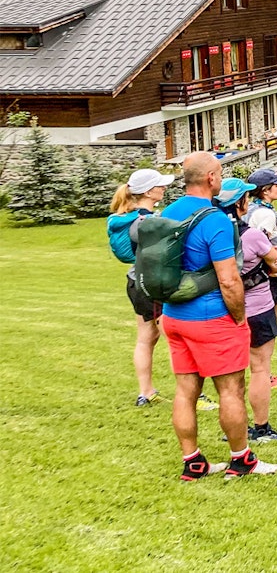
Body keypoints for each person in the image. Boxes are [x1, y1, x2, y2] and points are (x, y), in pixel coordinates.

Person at [160, 153, 277, 480]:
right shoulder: (213, 219)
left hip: (173, 315)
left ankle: (193, 462)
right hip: (211, 317)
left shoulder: (169, 212)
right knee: (230, 390)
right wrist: (239, 317)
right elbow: (228, 279)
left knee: (185, 390)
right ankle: (241, 460)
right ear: (211, 178)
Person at [216, 178, 277, 443]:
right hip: (257, 307)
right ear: (239, 203)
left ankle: (235, 427)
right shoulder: (252, 236)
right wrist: (271, 266)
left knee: (232, 373)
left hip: (224, 308)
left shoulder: (214, 233)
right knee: (260, 368)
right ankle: (261, 427)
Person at [107, 168, 177, 407]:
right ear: (148, 191)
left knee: (146, 337)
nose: (164, 188)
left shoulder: (131, 219)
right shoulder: (145, 222)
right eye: (160, 185)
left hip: (136, 281)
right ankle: (191, 394)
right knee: (174, 338)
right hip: (152, 285)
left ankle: (145, 392)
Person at [245, 168, 277, 390]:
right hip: (270, 274)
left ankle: (262, 371)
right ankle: (266, 374)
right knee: (268, 326)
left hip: (254, 275)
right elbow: (264, 244)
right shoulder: (265, 214)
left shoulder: (251, 209)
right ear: (265, 190)